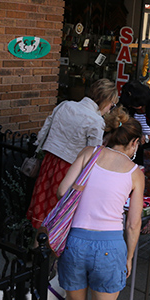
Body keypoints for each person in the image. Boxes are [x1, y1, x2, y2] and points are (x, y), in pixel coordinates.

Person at [57, 107, 145, 300]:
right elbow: (133, 224)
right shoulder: (135, 173)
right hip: (110, 247)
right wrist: (129, 256)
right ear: (133, 142)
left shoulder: (89, 153)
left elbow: (62, 191)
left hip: (75, 241)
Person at [26, 79, 118, 228]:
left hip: (49, 161)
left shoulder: (65, 105)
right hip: (70, 170)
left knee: (42, 208)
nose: (109, 110)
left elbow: (43, 132)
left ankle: (36, 247)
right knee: (58, 214)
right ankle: (51, 249)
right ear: (105, 100)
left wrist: (38, 150)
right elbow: (92, 155)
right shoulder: (96, 121)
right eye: (111, 105)